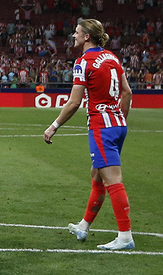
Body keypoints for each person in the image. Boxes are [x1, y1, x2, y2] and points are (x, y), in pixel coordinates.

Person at [43, 19, 134, 251]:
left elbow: (74, 102)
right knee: (97, 176)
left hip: (101, 127)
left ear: (86, 37)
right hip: (117, 125)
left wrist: (54, 126)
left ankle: (125, 236)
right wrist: (119, 118)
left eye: (76, 32)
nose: (73, 35)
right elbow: (127, 92)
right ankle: (84, 226)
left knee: (112, 179)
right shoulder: (112, 57)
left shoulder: (84, 62)